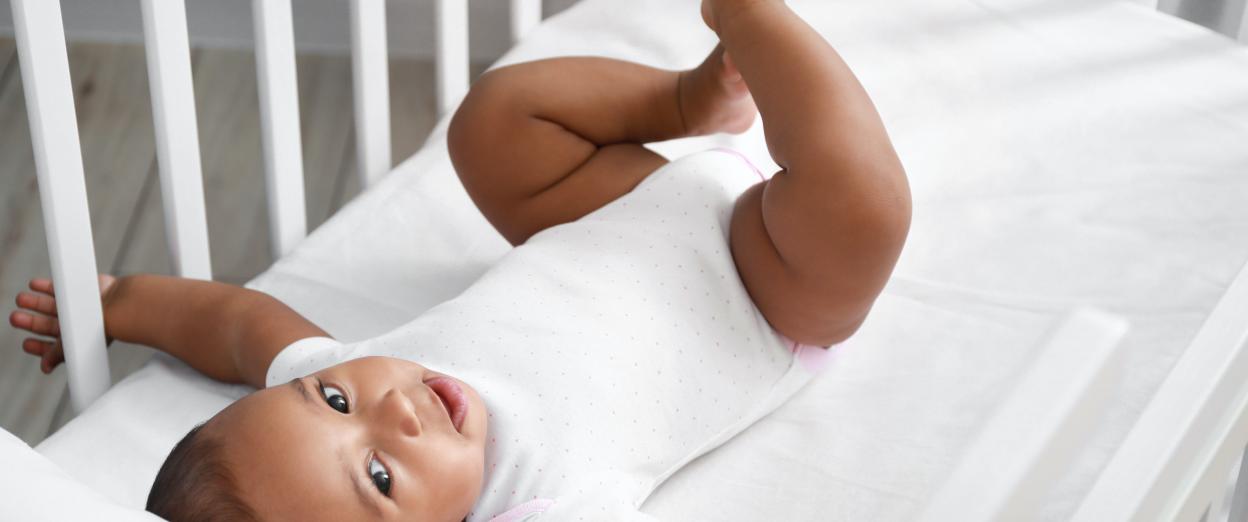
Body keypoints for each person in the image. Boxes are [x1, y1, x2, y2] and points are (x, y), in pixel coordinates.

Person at [8, 1, 909, 520]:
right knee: (863, 212)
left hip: (613, 210)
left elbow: (242, 329)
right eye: (381, 479)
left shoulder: (346, 380)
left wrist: (124, 300)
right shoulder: (541, 502)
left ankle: (690, 99)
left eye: (332, 400)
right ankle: (749, 16)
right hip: (758, 293)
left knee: (493, 123)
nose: (392, 409)